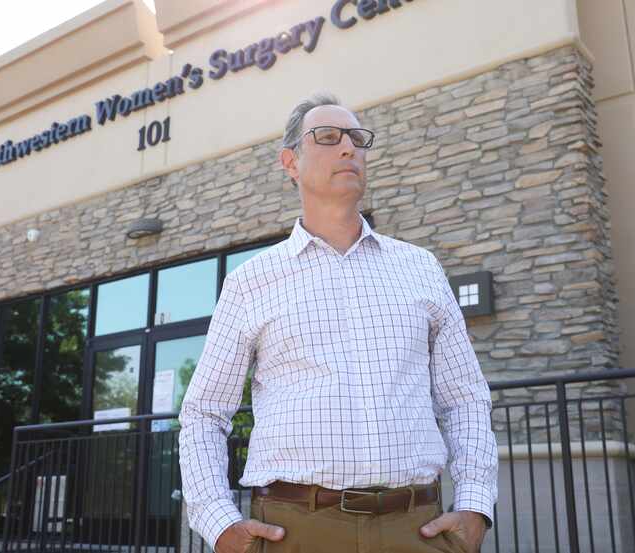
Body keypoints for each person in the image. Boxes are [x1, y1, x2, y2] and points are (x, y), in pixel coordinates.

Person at [178, 92, 498, 553]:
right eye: (327, 137)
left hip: (417, 528)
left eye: (357, 138)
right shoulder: (251, 281)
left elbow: (465, 397)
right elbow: (204, 413)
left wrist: (474, 503)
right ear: (290, 162)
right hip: (295, 530)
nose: (349, 148)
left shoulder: (420, 268)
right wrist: (218, 521)